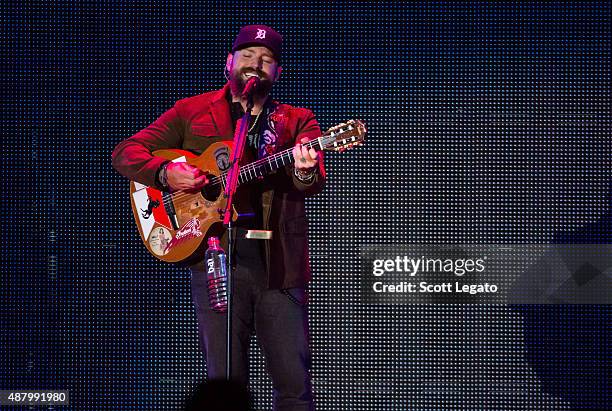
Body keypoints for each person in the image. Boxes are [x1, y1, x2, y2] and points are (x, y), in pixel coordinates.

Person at [112, 25, 325, 410]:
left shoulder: (297, 120)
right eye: (247, 56)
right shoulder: (191, 111)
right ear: (229, 62)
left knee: (294, 384)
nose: (255, 65)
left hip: (280, 265)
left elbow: (311, 181)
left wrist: (306, 168)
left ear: (278, 72)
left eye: (266, 60)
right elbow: (127, 152)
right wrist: (165, 174)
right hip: (217, 256)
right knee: (225, 383)